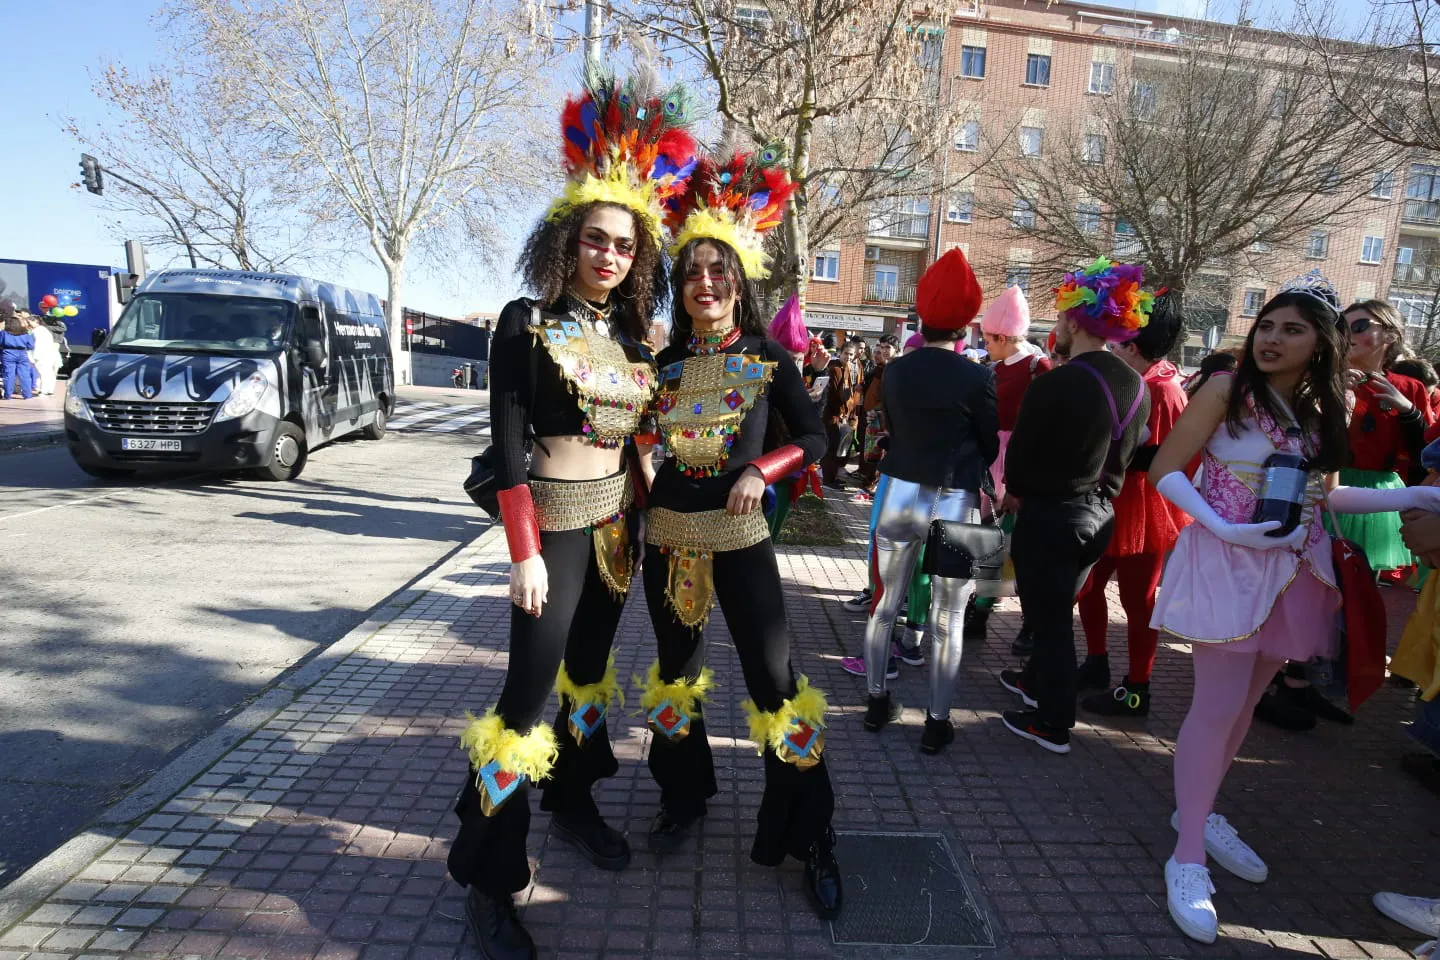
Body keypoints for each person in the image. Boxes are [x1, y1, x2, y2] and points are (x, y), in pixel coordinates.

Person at [446, 73, 695, 960]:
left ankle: (576, 796)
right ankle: (488, 880)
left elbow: (639, 443)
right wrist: (523, 555)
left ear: (641, 258)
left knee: (587, 681)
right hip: (549, 532)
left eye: (625, 246)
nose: (609, 256)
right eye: (595, 239)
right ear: (567, 238)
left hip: (616, 531)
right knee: (522, 702)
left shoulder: (635, 339)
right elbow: (506, 448)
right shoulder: (525, 321)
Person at [1147, 275, 1440, 944]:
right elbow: (1165, 468)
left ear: (1321, 344)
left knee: (1247, 704)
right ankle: (1187, 852)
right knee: (1215, 705)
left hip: (1295, 568)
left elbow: (1326, 498)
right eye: (1268, 326)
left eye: (1292, 329)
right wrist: (1222, 528)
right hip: (1226, 562)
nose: (1273, 338)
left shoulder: (1321, 408)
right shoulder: (1226, 390)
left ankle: (1201, 810)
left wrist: (1414, 500)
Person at [639, 149, 842, 920]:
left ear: (738, 280)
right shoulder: (658, 367)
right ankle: (681, 795)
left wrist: (767, 467)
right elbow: (629, 441)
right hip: (669, 538)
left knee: (775, 682)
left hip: (741, 535)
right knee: (675, 676)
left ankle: (814, 829)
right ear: (680, 286)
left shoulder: (767, 355)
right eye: (692, 271)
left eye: (719, 270)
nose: (706, 283)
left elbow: (818, 438)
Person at [997, 258, 1153, 754]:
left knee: (1051, 622)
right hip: (1102, 514)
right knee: (1055, 612)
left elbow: (1019, 462)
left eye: (1062, 316)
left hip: (1051, 516)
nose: (1056, 326)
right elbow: (1129, 452)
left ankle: (1053, 721)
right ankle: (1034, 683)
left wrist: (1015, 490)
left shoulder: (1055, 382)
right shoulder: (1137, 385)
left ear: (1078, 321)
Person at [856, 248, 999, 754]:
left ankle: (877, 701)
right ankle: (936, 722)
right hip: (954, 497)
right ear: (966, 319)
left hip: (897, 491)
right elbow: (991, 443)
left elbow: (893, 426)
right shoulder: (978, 375)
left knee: (883, 605)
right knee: (947, 617)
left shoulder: (895, 370)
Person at [1078, 289, 1191, 717]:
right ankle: (1096, 661)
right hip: (1116, 498)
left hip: (1142, 504)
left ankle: (1138, 687)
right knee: (1088, 584)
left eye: (1118, 341)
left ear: (1133, 345)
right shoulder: (1144, 381)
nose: (1111, 347)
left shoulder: (1161, 389)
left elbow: (1160, 455)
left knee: (1138, 600)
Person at [969, 285, 1050, 648]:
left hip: (1021, 459)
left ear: (1003, 336)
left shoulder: (1038, 366)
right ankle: (985, 604)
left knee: (1017, 541)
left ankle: (1020, 617)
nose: (985, 345)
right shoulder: (993, 368)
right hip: (991, 459)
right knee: (993, 536)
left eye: (987, 339)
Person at [1335, 299, 1432, 573]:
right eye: (1342, 327)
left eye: (1360, 326)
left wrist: (1408, 410)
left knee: (1363, 585)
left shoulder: (1409, 387)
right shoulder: (1319, 378)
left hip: (1380, 495)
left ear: (1390, 334)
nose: (1348, 334)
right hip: (1327, 486)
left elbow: (1423, 454)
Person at [764, 295, 824, 539]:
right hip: (763, 472)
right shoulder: (757, 382)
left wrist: (817, 381)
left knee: (773, 535)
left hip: (787, 473)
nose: (792, 365)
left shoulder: (801, 384)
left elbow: (811, 432)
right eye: (787, 358)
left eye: (798, 360)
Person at [853, 333, 899, 492]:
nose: (884, 352)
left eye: (888, 348)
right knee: (871, 451)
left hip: (885, 419)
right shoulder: (880, 369)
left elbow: (889, 397)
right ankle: (869, 481)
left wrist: (878, 410)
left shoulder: (894, 369)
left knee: (879, 453)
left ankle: (872, 485)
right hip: (873, 415)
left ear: (896, 349)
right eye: (881, 348)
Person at [820, 337, 863, 488]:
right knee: (831, 449)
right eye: (846, 354)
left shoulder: (855, 368)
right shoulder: (835, 369)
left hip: (846, 415)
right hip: (833, 414)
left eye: (851, 354)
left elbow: (855, 393)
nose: (848, 357)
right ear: (840, 353)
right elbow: (837, 396)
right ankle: (828, 480)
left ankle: (833, 476)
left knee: (840, 448)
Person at [1, 304, 37, 400]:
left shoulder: (4, 333)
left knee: (9, 375)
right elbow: (31, 345)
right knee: (25, 375)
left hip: (8, 353)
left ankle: (7, 395)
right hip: (22, 353)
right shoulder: (25, 333)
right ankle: (27, 395)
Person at [29, 314, 63, 395]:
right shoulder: (44, 330)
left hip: (41, 354)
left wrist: (34, 356)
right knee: (48, 372)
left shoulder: (37, 331)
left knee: (43, 373)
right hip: (49, 353)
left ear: (35, 321)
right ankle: (49, 389)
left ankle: (43, 390)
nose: (28, 324)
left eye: (29, 322)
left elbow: (37, 344)